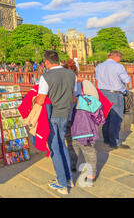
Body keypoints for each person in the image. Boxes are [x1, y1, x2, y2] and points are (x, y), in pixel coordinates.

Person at [35, 50, 76, 194]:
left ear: (46, 62)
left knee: (54, 149)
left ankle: (62, 183)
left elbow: (40, 100)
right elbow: (74, 96)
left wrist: (34, 99)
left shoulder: (46, 76)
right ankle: (68, 178)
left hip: (52, 115)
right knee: (62, 145)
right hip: (66, 114)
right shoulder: (71, 74)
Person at [95, 50, 131, 149]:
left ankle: (106, 139)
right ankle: (114, 141)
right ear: (117, 57)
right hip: (115, 94)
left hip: (102, 93)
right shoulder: (118, 66)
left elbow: (98, 79)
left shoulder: (99, 66)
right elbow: (127, 80)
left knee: (106, 117)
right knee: (116, 118)